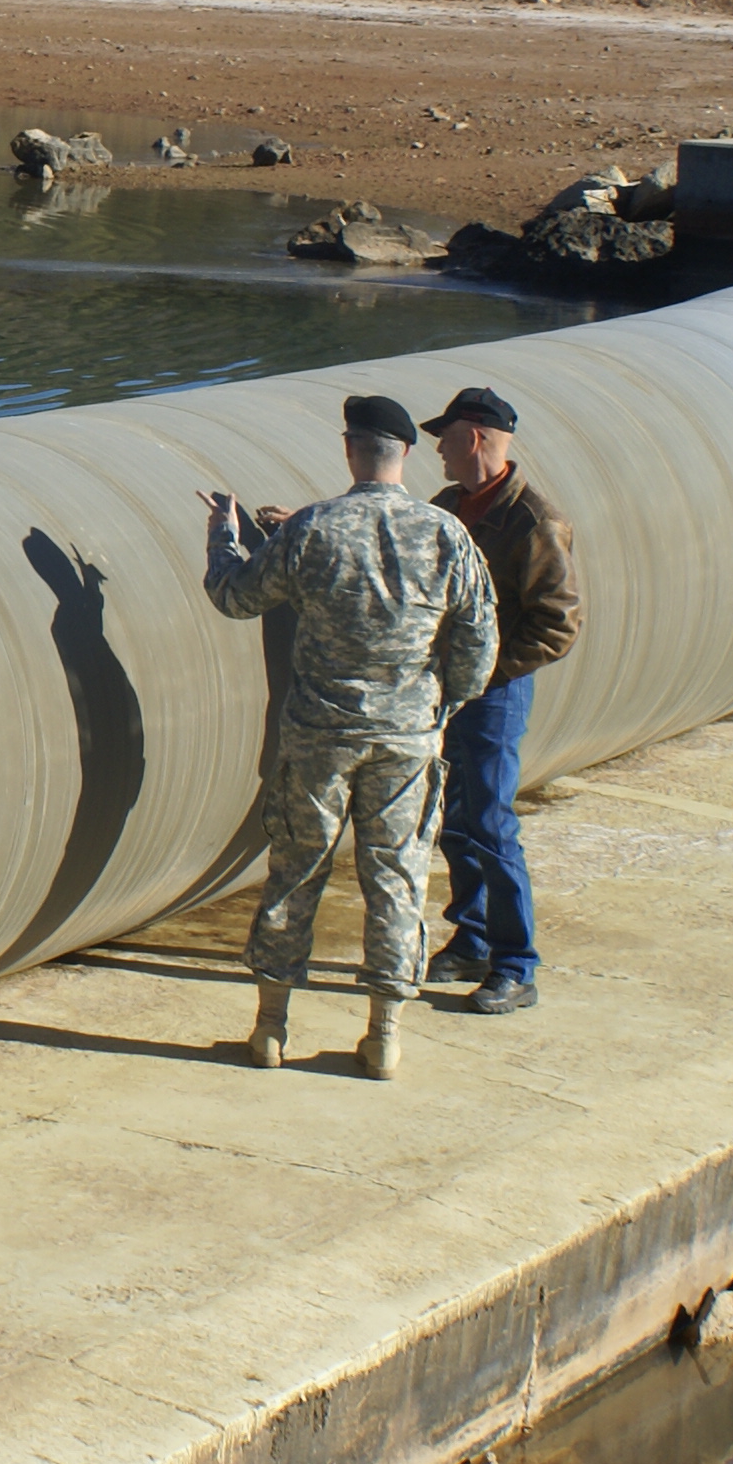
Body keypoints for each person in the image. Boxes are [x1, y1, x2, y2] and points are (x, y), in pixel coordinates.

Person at [199, 394, 498, 1080]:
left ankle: (270, 1028)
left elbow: (235, 596)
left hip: (319, 738)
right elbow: (481, 639)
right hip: (406, 737)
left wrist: (224, 533)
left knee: (296, 869)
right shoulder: (444, 533)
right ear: (407, 455)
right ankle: (383, 1035)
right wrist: (440, 701)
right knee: (395, 878)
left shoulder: (314, 529)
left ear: (348, 450)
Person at [420, 385, 583, 1017]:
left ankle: (516, 967)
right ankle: (473, 938)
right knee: (457, 820)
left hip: (493, 694)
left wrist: (486, 674)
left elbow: (556, 624)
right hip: (453, 691)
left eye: (446, 437)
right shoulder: (449, 507)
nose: (438, 450)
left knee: (490, 825)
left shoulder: (534, 522)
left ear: (476, 438)